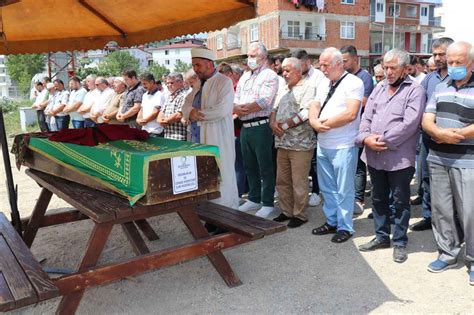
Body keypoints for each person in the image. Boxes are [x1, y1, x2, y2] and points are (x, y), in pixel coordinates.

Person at [356, 48, 426, 263]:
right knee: (377, 198)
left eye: (392, 68)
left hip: (398, 157)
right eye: (385, 67)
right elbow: (366, 116)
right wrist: (366, 138)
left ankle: (399, 241)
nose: (387, 72)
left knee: (400, 200)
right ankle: (381, 236)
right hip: (374, 154)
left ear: (406, 68)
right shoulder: (379, 88)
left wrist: (381, 140)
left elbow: (410, 123)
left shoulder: (415, 90)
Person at [421, 41, 474, 284]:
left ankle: (473, 259)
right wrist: (438, 133)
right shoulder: (441, 86)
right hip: (439, 157)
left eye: (458, 63)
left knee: (470, 213)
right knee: (441, 208)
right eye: (450, 62)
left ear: (471, 63)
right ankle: (447, 252)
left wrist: (460, 135)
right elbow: (427, 119)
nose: (452, 66)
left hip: (468, 160)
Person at [309, 47, 363, 243]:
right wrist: (314, 121)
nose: (322, 68)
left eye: (326, 65)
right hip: (323, 144)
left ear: (339, 64)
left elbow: (351, 113)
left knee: (344, 188)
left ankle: (345, 226)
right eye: (321, 64)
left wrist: (323, 124)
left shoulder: (353, 83)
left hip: (343, 145)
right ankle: (332, 221)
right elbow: (314, 104)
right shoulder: (323, 83)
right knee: (327, 187)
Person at [182, 47, 239, 209]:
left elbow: (222, 110)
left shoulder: (224, 82)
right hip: (197, 140)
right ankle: (210, 217)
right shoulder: (199, 84)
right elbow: (186, 104)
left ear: (209, 64)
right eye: (193, 65)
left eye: (198, 65)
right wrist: (190, 112)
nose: (195, 69)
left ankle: (226, 217)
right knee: (203, 178)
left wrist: (196, 114)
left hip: (217, 138)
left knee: (221, 177)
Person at [410, 37, 454, 232]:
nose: (436, 58)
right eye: (434, 54)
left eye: (441, 54)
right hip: (428, 138)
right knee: (427, 178)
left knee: (453, 184)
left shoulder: (461, 77)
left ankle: (453, 222)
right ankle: (429, 217)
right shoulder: (430, 78)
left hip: (455, 140)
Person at [233, 42, 279, 218]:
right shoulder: (245, 76)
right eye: (248, 55)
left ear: (264, 57)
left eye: (253, 56)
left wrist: (244, 108)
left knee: (265, 166)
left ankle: (267, 202)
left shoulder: (269, 75)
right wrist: (237, 108)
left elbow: (265, 101)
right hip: (245, 127)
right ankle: (253, 197)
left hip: (261, 126)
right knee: (249, 165)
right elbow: (236, 97)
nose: (249, 59)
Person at [270, 57, 316, 228]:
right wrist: (272, 123)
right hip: (282, 142)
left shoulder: (308, 87)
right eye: (283, 70)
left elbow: (305, 113)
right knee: (282, 180)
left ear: (298, 70)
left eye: (288, 70)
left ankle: (300, 214)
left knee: (299, 181)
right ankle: (286, 211)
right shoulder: (282, 88)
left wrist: (284, 125)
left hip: (300, 144)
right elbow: (274, 109)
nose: (285, 73)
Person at [292, 49, 329, 207]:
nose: (298, 69)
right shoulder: (298, 76)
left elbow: (318, 100)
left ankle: (316, 191)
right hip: (297, 126)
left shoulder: (318, 77)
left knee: (314, 161)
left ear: (307, 62)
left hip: (313, 122)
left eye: (301, 65)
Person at [340, 45, 375, 215]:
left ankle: (358, 199)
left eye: (345, 61)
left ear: (355, 59)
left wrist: (344, 106)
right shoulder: (343, 78)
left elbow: (364, 102)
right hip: (343, 128)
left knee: (359, 166)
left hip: (359, 127)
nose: (343, 64)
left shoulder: (364, 78)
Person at [219, 63, 248, 198]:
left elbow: (240, 109)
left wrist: (230, 118)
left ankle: (238, 194)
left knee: (238, 166)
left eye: (224, 77)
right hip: (229, 131)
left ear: (232, 75)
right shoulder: (227, 89)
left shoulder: (238, 89)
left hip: (237, 131)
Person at [157, 73, 188, 140]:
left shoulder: (185, 95)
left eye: (171, 83)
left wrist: (165, 121)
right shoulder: (169, 96)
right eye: (167, 83)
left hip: (179, 137)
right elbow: (162, 111)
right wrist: (159, 120)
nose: (168, 85)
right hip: (168, 136)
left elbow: (179, 114)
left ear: (180, 82)